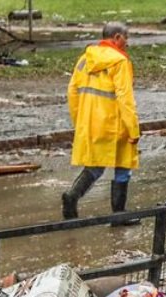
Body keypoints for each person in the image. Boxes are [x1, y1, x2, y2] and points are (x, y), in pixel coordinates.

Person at [62, 22, 140, 223]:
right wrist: (133, 129)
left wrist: (79, 120)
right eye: (126, 37)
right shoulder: (120, 62)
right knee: (123, 165)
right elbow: (125, 97)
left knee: (95, 166)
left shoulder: (85, 59)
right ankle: (119, 214)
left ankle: (72, 196)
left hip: (90, 122)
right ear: (116, 38)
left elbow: (72, 91)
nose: (127, 42)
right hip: (115, 123)